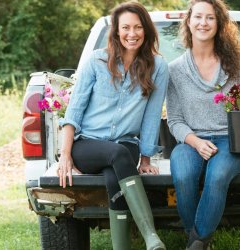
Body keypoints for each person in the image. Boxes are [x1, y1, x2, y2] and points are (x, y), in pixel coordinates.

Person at [166, 0, 240, 249]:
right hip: (192, 140)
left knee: (217, 176)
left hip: (235, 140)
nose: (203, 23)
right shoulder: (174, 71)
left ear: (219, 24)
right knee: (183, 174)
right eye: (198, 17)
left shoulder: (238, 63)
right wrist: (195, 142)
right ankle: (198, 240)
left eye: (210, 18)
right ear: (188, 21)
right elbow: (174, 120)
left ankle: (196, 243)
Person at [57, 2, 168, 250]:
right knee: (116, 155)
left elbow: (151, 116)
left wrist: (146, 159)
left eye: (138, 27)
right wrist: (65, 154)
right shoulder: (96, 61)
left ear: (146, 30)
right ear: (116, 31)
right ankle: (150, 235)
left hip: (127, 143)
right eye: (126, 27)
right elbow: (74, 111)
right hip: (87, 145)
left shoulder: (158, 66)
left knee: (112, 177)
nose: (132, 33)